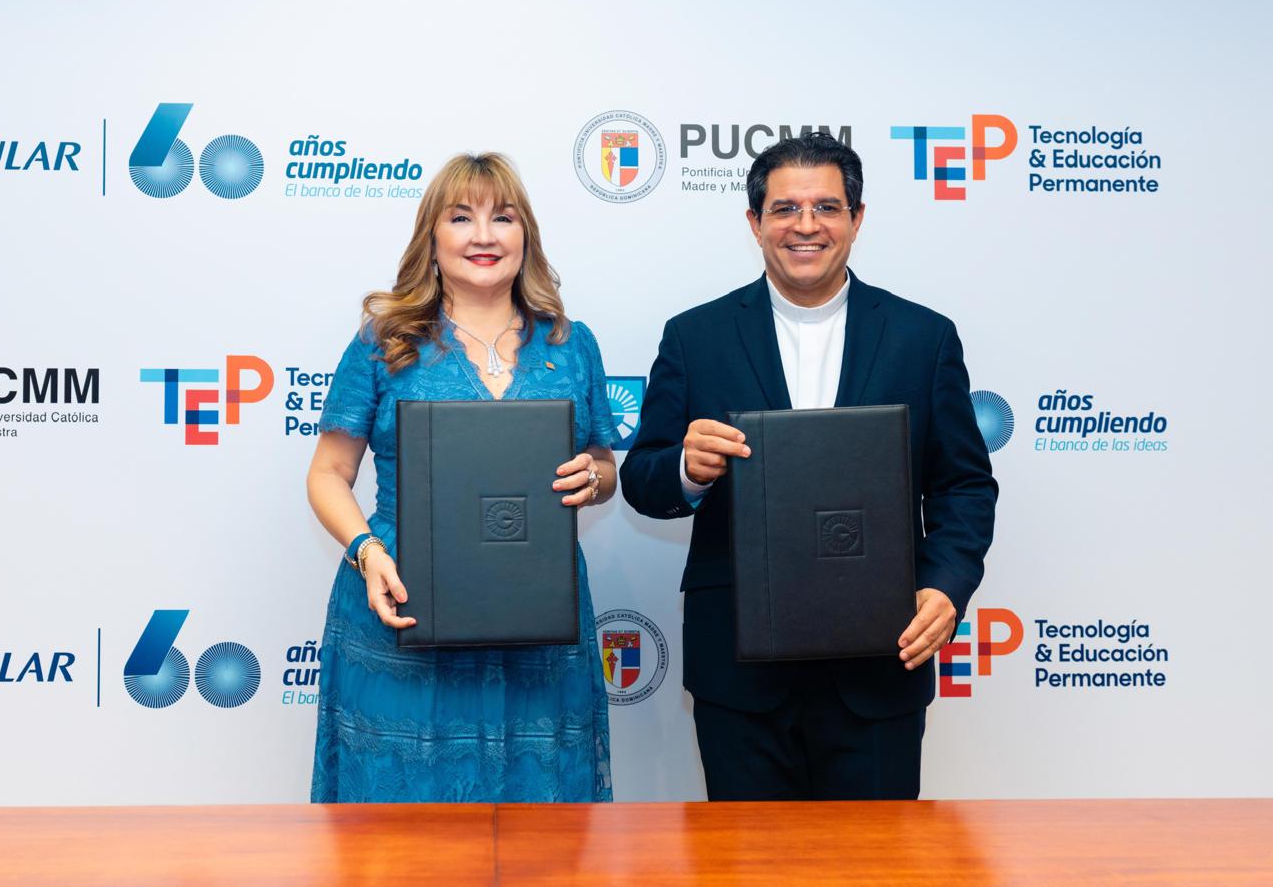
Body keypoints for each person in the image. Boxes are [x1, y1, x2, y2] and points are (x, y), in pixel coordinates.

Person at [620, 133, 997, 801]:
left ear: (856, 218)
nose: (806, 225)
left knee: (877, 857)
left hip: (880, 663)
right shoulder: (695, 336)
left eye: (826, 207)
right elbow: (643, 480)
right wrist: (687, 469)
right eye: (785, 208)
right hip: (738, 670)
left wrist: (944, 587)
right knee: (744, 856)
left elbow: (963, 485)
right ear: (754, 222)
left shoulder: (923, 337)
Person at [306, 152, 617, 803]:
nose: (483, 235)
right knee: (399, 825)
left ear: (525, 236)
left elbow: (604, 465)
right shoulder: (384, 340)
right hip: (403, 599)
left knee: (540, 824)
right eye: (461, 218)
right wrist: (366, 552)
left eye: (503, 217)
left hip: (538, 609)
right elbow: (329, 473)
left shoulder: (571, 344)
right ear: (432, 237)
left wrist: (594, 478)